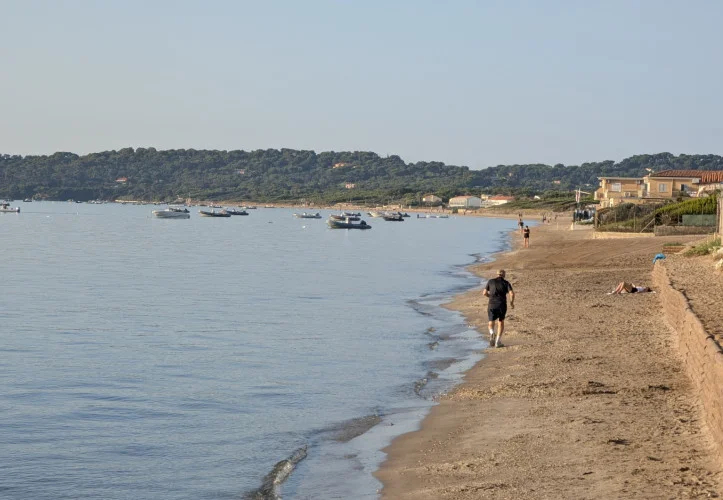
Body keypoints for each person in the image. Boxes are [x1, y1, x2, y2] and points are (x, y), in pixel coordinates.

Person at [483, 269, 515, 348]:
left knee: (491, 321)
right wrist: (511, 303)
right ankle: (497, 342)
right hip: (501, 305)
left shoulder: (490, 281)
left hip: (491, 304)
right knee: (501, 322)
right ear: (504, 275)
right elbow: (512, 293)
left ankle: (491, 333)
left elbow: (484, 293)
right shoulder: (506, 283)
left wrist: (490, 297)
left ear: (497, 274)